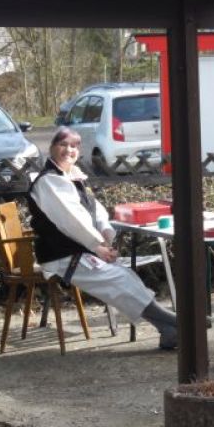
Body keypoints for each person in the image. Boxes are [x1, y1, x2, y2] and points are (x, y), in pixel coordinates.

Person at [28, 127, 178, 350]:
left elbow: (96, 211)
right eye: (63, 144)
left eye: (74, 146)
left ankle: (168, 330)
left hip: (80, 250)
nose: (69, 150)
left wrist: (106, 237)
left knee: (126, 277)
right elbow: (72, 220)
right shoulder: (49, 181)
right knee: (119, 280)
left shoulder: (73, 177)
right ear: (51, 148)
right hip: (61, 256)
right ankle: (174, 321)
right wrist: (97, 246)